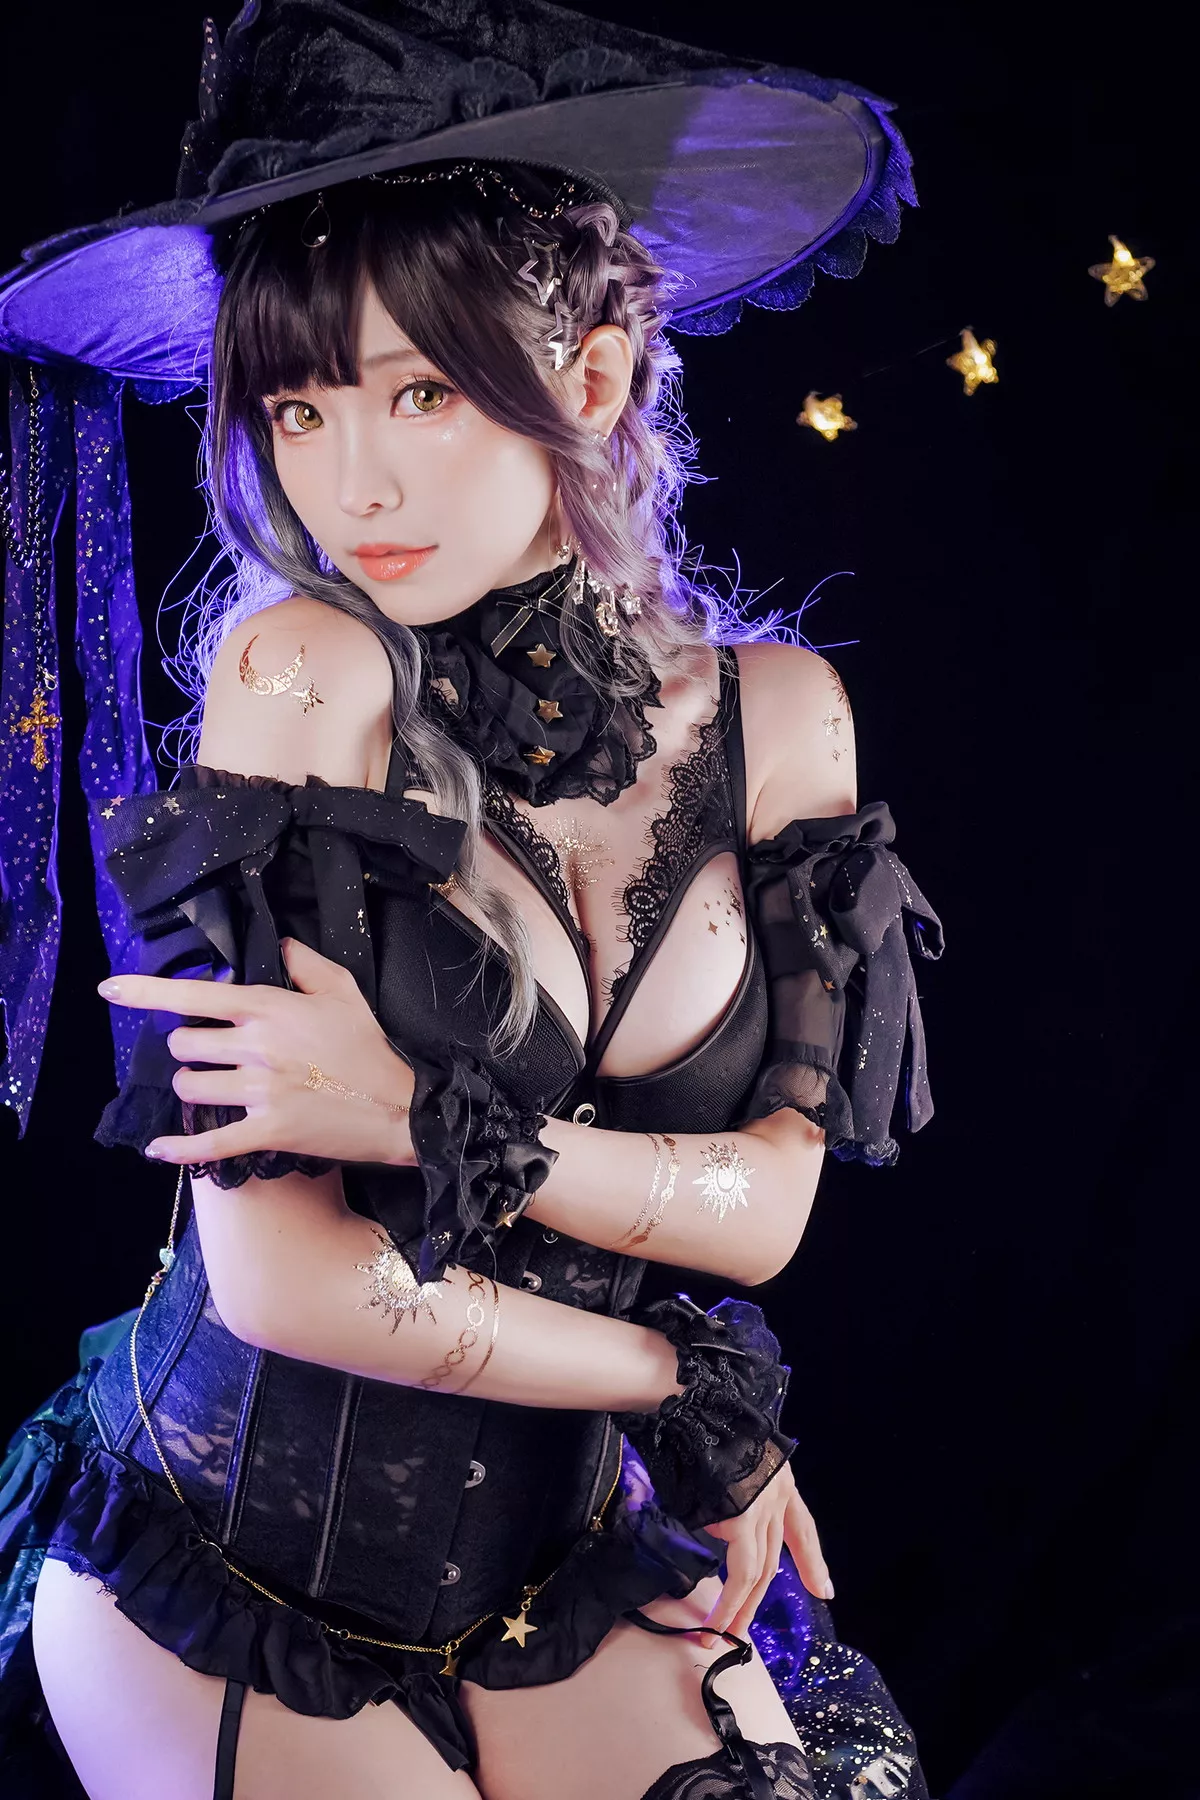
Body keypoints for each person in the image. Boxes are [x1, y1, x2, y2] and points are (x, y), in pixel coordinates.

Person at [0, 5, 942, 1796]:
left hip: (551, 1569)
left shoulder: (781, 721)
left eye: (422, 391)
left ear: (590, 377)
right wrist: (672, 1386)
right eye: (300, 408)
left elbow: (764, 1215)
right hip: (219, 1564)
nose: (350, 484)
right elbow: (287, 1279)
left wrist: (417, 1118)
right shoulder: (302, 678)